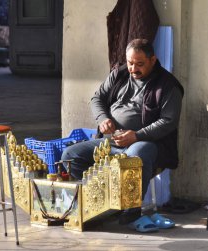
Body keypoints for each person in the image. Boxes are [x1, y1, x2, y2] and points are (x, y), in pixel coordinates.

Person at [61, 38, 184, 224]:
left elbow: (168, 121)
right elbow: (97, 98)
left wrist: (137, 135)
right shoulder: (119, 74)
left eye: (140, 64)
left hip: (148, 143)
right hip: (113, 141)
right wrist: (103, 119)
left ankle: (130, 207)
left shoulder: (168, 85)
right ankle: (103, 201)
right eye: (130, 63)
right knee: (70, 156)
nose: (133, 69)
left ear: (152, 60)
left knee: (134, 156)